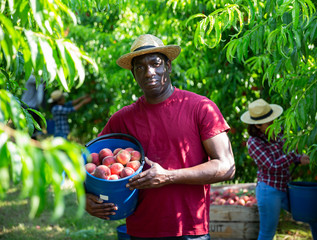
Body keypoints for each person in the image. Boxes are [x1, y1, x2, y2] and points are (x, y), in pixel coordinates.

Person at [85, 34, 235, 239]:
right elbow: (86, 160)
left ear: (168, 67)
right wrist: (83, 196)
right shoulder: (123, 119)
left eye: (156, 64)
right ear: (134, 75)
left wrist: (169, 176)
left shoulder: (200, 108)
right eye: (140, 67)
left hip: (190, 230)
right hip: (141, 230)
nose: (149, 72)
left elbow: (227, 166)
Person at [240, 98, 317, 240]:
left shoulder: (278, 132)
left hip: (286, 187)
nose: (273, 123)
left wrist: (299, 158)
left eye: (273, 119)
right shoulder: (254, 142)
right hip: (269, 190)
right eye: (268, 122)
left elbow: (287, 153)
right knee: (267, 233)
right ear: (258, 125)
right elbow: (272, 166)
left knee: (314, 217)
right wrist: (293, 154)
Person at [21, 74, 46, 138]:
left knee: (33, 130)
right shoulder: (30, 78)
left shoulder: (36, 81)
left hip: (33, 107)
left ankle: (31, 143)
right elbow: (41, 80)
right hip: (27, 106)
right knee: (27, 128)